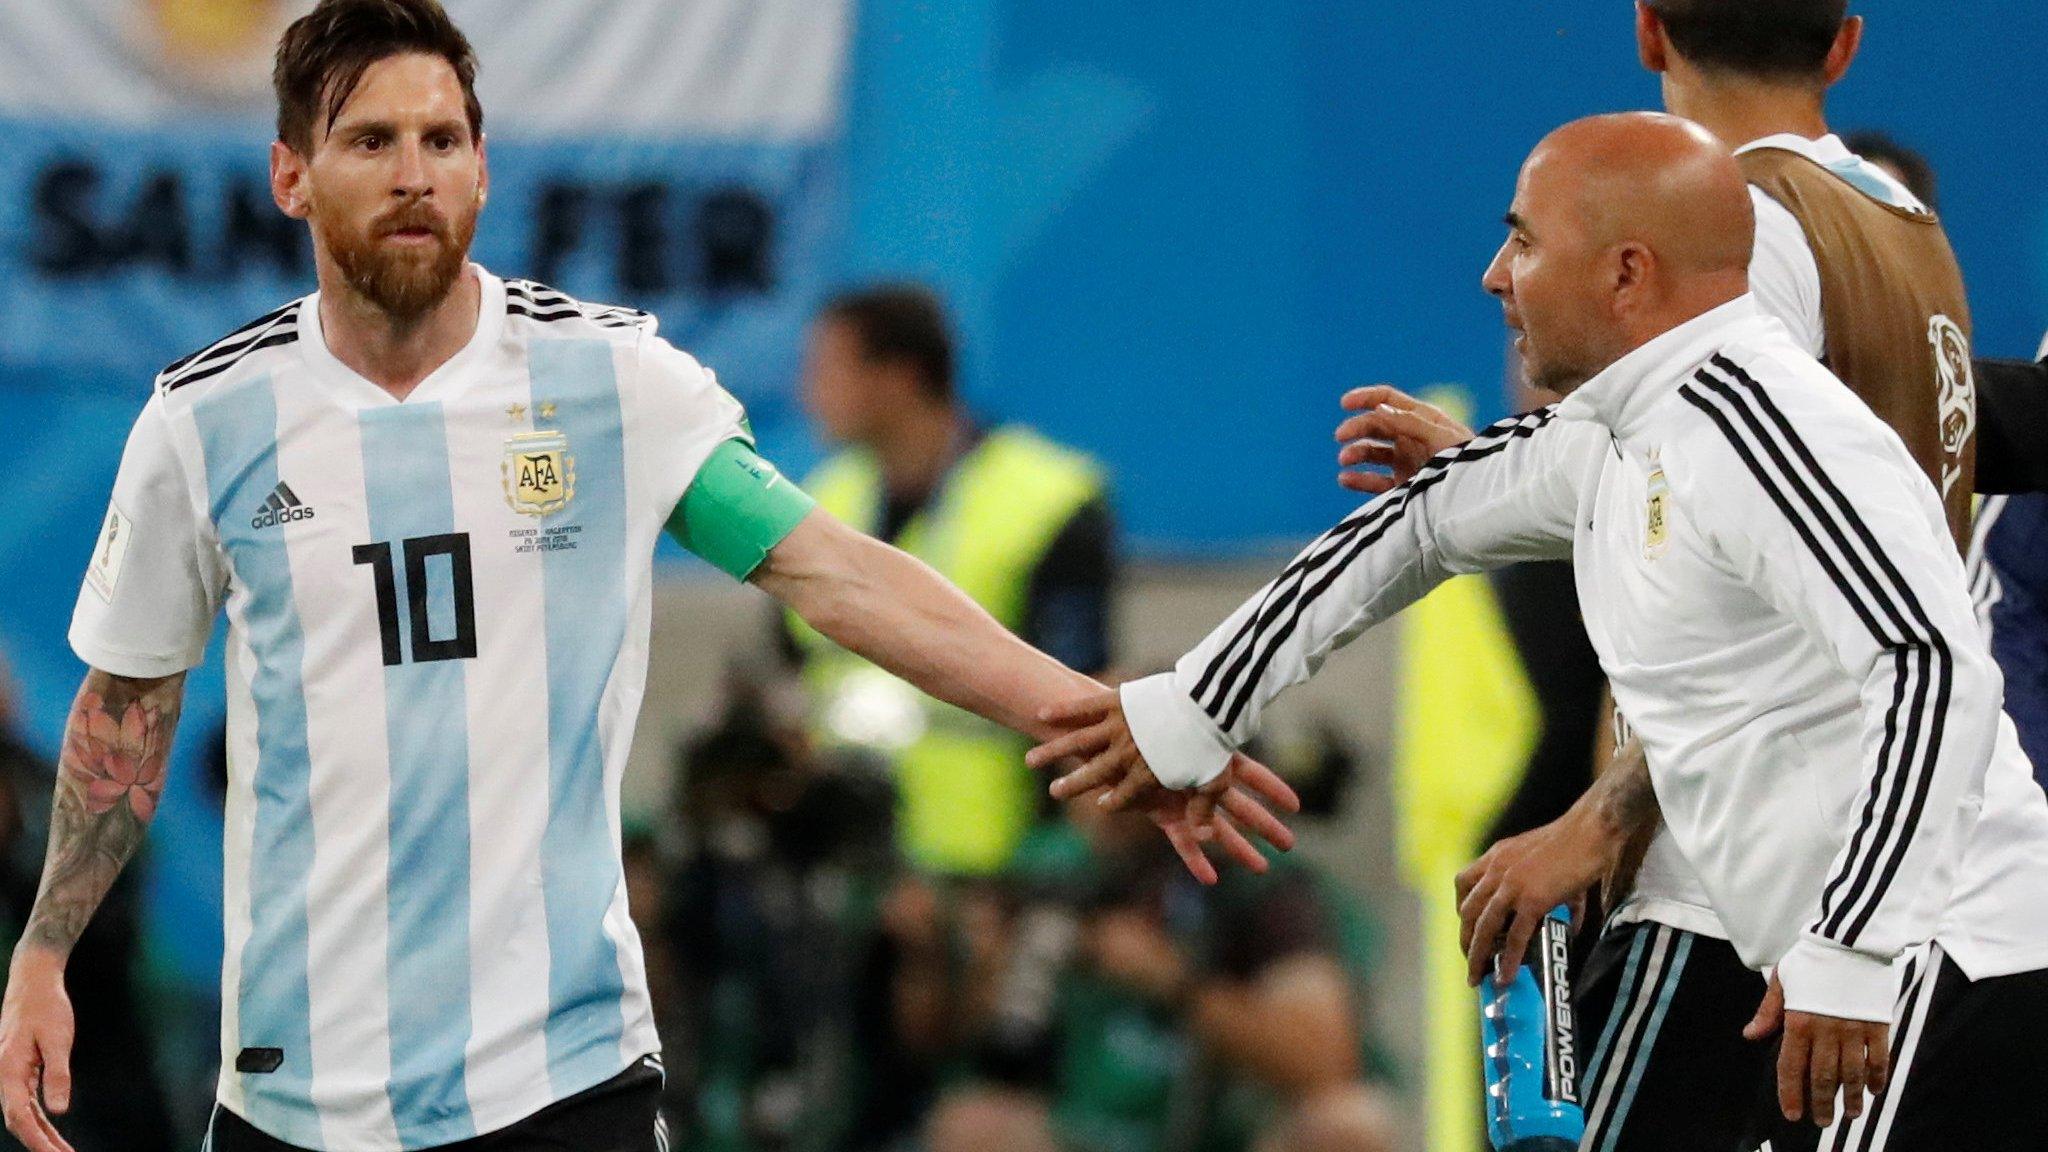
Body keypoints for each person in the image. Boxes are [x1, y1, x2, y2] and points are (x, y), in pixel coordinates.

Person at [0, 5, 1299, 1152]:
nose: (415, 175)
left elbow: (837, 575)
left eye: (443, 141)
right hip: (294, 1092)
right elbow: (129, 703)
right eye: (371, 141)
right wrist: (47, 947)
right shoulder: (203, 424)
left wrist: (1100, 716)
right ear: (291, 173)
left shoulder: (607, 387)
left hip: (562, 1081)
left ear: (484, 168)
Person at [1031, 113, 2048, 1151]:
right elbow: (1417, 521)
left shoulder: (1766, 426)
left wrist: (1851, 948)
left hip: (1948, 949)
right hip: (1828, 955)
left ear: (1624, 275)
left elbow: (1932, 671)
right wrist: (1190, 710)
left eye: (1521, 243)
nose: (1489, 277)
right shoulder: (1620, 430)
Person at [785, 285, 1116, 877]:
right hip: (841, 866)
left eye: (827, 368)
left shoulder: (1049, 499)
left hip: (998, 867)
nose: (807, 391)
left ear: (899, 378)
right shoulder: (816, 501)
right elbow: (791, 675)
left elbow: (1085, 693)